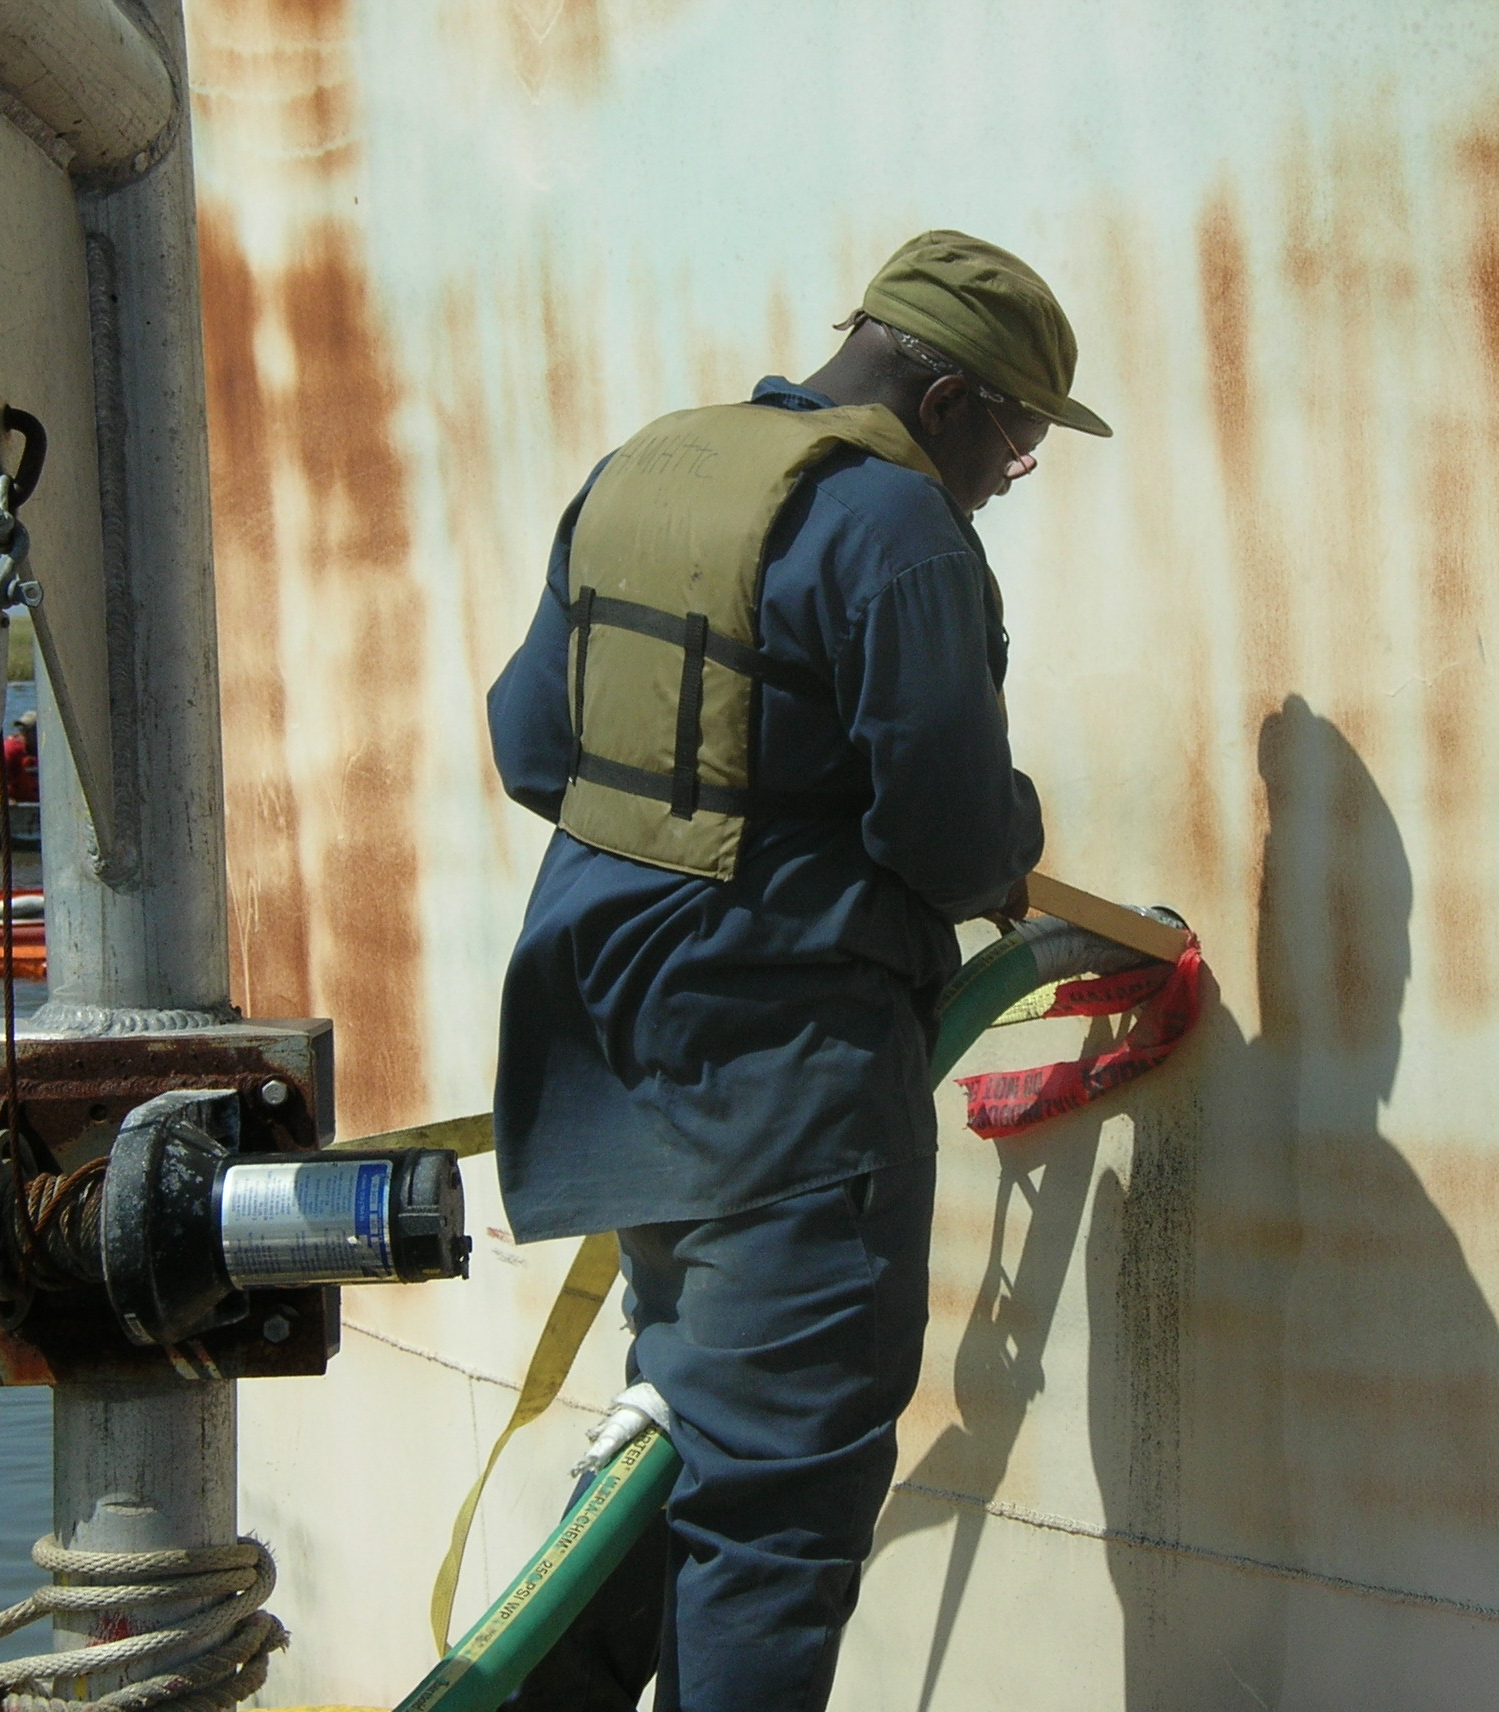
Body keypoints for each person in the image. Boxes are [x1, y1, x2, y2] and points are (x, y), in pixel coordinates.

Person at [486, 230, 1110, 1711]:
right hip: (788, 1090)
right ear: (946, 400)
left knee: (677, 1435)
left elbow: (530, 745)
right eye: (1016, 438)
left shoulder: (647, 469)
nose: (1011, 472)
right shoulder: (897, 527)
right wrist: (1013, 833)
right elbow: (953, 843)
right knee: (776, 1505)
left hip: (609, 1059)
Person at [0, 709, 37, 805]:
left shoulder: (47, 749)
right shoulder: (10, 748)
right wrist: (3, 800)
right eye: (21, 729)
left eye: (28, 730)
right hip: (13, 801)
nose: (23, 733)